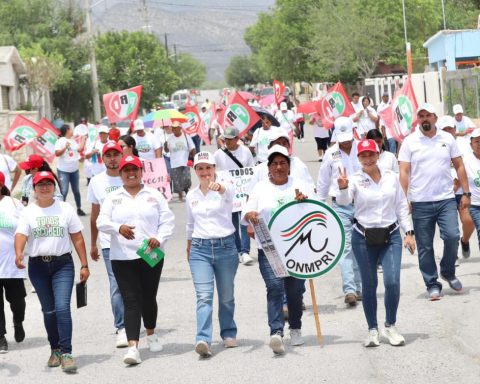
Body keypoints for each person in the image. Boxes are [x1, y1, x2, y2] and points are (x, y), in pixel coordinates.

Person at [336, 139, 415, 347]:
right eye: (363, 155)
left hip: (391, 235)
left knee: (392, 281)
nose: (368, 159)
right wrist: (343, 189)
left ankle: (390, 326)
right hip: (363, 237)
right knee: (369, 284)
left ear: (378, 154)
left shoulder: (392, 177)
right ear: (358, 158)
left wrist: (409, 232)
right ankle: (372, 329)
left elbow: (400, 206)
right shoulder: (354, 179)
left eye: (371, 154)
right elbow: (344, 202)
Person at [97, 155, 175, 365]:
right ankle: (133, 348)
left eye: (135, 169)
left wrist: (158, 238)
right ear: (121, 174)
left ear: (141, 172)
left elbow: (167, 220)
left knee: (149, 297)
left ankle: (151, 333)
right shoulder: (113, 198)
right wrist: (117, 228)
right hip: (122, 256)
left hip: (151, 253)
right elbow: (100, 221)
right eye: (126, 170)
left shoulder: (154, 195)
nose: (131, 173)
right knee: (131, 300)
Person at [14, 171, 90, 373]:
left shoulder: (65, 209)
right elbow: (21, 234)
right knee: (48, 310)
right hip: (38, 267)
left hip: (62, 265)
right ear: (34, 189)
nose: (45, 187)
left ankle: (66, 352)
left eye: (49, 184)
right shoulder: (28, 211)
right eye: (41, 184)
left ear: (55, 187)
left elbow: (78, 237)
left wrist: (84, 264)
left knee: (62, 307)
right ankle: (54, 349)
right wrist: (19, 252)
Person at [242, 145, 314, 355]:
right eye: (274, 163)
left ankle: (296, 328)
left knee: (294, 291)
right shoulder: (260, 188)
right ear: (269, 168)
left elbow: (317, 209)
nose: (279, 167)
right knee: (274, 287)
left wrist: (306, 201)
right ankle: (276, 332)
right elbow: (247, 211)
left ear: (289, 167)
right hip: (269, 247)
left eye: (283, 163)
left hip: (297, 248)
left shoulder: (299, 185)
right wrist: (252, 215)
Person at [399, 103, 470, 300]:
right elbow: (404, 171)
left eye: (428, 115)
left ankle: (447, 271)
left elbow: (459, 165)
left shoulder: (447, 138)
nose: (424, 119)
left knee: (452, 236)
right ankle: (432, 282)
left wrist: (466, 193)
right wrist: (403, 198)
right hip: (421, 202)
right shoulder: (410, 142)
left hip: (446, 199)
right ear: (418, 120)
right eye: (420, 116)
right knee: (425, 246)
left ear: (435, 118)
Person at [186, 151, 239, 358]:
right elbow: (190, 224)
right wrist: (189, 246)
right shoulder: (192, 195)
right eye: (200, 168)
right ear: (195, 170)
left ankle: (228, 331)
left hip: (226, 246)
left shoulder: (224, 187)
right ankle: (203, 339)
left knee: (226, 296)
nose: (205, 172)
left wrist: (221, 188)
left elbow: (229, 194)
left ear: (214, 169)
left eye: (208, 167)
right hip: (200, 248)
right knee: (204, 295)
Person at [317, 116, 362, 306]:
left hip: (363, 203)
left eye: (347, 136)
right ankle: (350, 289)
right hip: (340, 205)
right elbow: (323, 181)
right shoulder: (330, 154)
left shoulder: (363, 148)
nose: (345, 142)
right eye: (341, 137)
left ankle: (360, 287)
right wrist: (319, 206)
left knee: (361, 246)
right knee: (345, 247)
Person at [87, 142, 127, 348]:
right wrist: (92, 243)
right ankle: (121, 326)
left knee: (137, 283)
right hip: (108, 242)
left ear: (122, 155)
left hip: (134, 240)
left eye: (115, 154)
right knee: (116, 283)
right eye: (108, 155)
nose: (112, 158)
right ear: (102, 159)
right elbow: (94, 215)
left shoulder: (130, 174)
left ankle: (136, 318)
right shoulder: (96, 181)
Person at [214, 127, 255, 265]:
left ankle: (245, 251)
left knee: (244, 221)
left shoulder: (245, 151)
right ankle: (237, 250)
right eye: (225, 139)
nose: (228, 142)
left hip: (244, 191)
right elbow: (213, 170)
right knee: (232, 223)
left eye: (230, 139)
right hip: (228, 193)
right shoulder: (219, 154)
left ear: (237, 139)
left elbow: (251, 170)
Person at [438, 115, 475, 258]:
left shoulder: (463, 144)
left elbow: (465, 166)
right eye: (444, 129)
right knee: (449, 230)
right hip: (444, 194)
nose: (448, 131)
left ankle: (464, 240)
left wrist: (459, 183)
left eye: (450, 128)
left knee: (468, 221)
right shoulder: (436, 145)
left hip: (460, 190)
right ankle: (452, 255)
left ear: (454, 129)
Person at [0, 171, 26, 353]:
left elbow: (26, 228)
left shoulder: (14, 204)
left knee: (18, 301)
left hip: (12, 263)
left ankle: (18, 320)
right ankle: (1, 337)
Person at [54, 124, 86, 216]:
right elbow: (57, 153)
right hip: (63, 171)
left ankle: (79, 209)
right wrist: (65, 147)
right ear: (67, 130)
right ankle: (60, 210)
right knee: (64, 191)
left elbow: (79, 150)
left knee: (76, 190)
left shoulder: (73, 141)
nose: (72, 131)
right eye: (70, 129)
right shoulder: (60, 141)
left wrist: (83, 139)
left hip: (74, 170)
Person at [164, 121, 196, 202]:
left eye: (176, 127)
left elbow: (192, 148)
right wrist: (165, 146)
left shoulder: (186, 136)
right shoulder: (170, 138)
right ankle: (180, 195)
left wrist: (195, 158)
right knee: (177, 180)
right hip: (175, 162)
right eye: (173, 128)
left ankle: (187, 191)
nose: (175, 129)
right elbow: (166, 150)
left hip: (185, 161)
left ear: (180, 128)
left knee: (187, 179)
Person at [464, 129, 480, 256]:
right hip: (475, 205)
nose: (479, 144)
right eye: (477, 141)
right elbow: (458, 180)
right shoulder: (466, 160)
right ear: (471, 145)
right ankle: (464, 241)